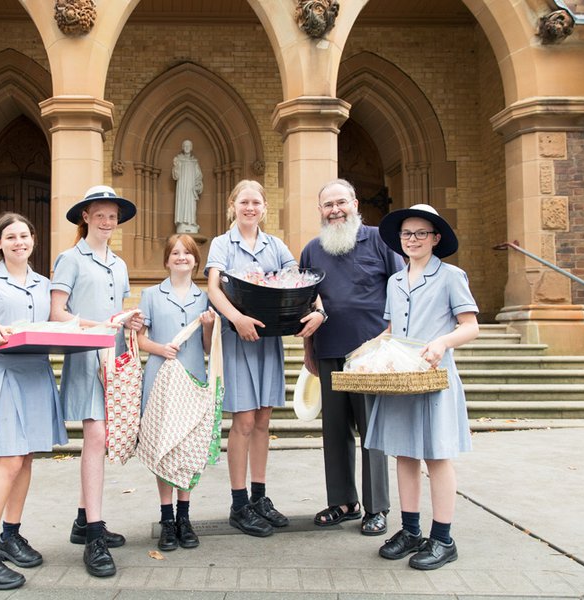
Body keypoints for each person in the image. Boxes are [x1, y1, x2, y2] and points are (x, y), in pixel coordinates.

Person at [205, 179, 325, 537]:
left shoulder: (275, 246)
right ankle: (239, 503)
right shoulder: (222, 244)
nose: (250, 208)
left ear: (264, 207)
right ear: (233, 205)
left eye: (256, 202)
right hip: (239, 339)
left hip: (267, 340)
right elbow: (212, 287)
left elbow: (303, 282)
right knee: (242, 422)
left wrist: (320, 311)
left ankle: (259, 496)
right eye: (244, 202)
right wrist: (236, 318)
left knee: (262, 422)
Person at [0, 213, 68, 590]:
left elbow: (61, 321)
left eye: (25, 235)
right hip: (1, 373)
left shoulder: (44, 285)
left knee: (25, 460)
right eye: (11, 236)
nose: (19, 241)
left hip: (35, 374)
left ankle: (10, 535)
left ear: (34, 239)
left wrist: (108, 325)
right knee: (6, 462)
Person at [368, 203, 479, 570]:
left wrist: (443, 343)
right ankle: (411, 530)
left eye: (420, 233)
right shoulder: (394, 281)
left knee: (436, 455)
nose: (412, 239)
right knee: (403, 454)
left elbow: (470, 326)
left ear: (435, 239)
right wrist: (370, 351)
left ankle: (443, 539)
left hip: (434, 381)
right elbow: (391, 330)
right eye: (406, 234)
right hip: (400, 380)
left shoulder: (450, 276)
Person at [298, 179, 403, 537]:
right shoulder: (312, 250)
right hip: (329, 349)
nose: (335, 210)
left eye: (340, 202)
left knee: (372, 430)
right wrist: (308, 352)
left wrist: (392, 341)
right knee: (335, 430)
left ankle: (377, 508)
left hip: (371, 353)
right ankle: (343, 502)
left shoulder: (378, 240)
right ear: (320, 211)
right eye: (328, 205)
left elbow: (400, 291)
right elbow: (306, 303)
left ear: (355, 203)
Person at [50, 185, 144, 578]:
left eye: (112, 216)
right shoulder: (69, 258)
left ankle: (82, 520)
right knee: (97, 438)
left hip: (115, 361)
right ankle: (94, 537)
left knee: (102, 438)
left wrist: (131, 322)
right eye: (100, 215)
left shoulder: (119, 265)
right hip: (86, 357)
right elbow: (57, 312)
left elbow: (116, 312)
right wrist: (99, 327)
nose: (107, 222)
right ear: (85, 217)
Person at [137, 234, 215, 551]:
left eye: (188, 253)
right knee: (164, 448)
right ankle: (167, 519)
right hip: (161, 380)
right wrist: (161, 348)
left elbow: (207, 347)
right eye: (175, 253)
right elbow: (140, 339)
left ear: (196, 261)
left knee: (187, 449)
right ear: (167, 260)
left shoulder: (205, 297)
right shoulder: (151, 295)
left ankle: (185, 516)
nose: (181, 257)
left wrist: (209, 325)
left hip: (194, 378)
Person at [172, 140, 203, 233]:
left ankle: (191, 223)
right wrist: (176, 165)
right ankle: (182, 223)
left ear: (191, 147)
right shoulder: (178, 159)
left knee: (191, 204)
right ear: (182, 147)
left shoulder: (194, 162)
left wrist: (198, 185)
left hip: (191, 188)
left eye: (188, 146)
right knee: (182, 203)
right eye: (185, 146)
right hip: (182, 187)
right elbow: (175, 176)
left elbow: (199, 176)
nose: (187, 147)